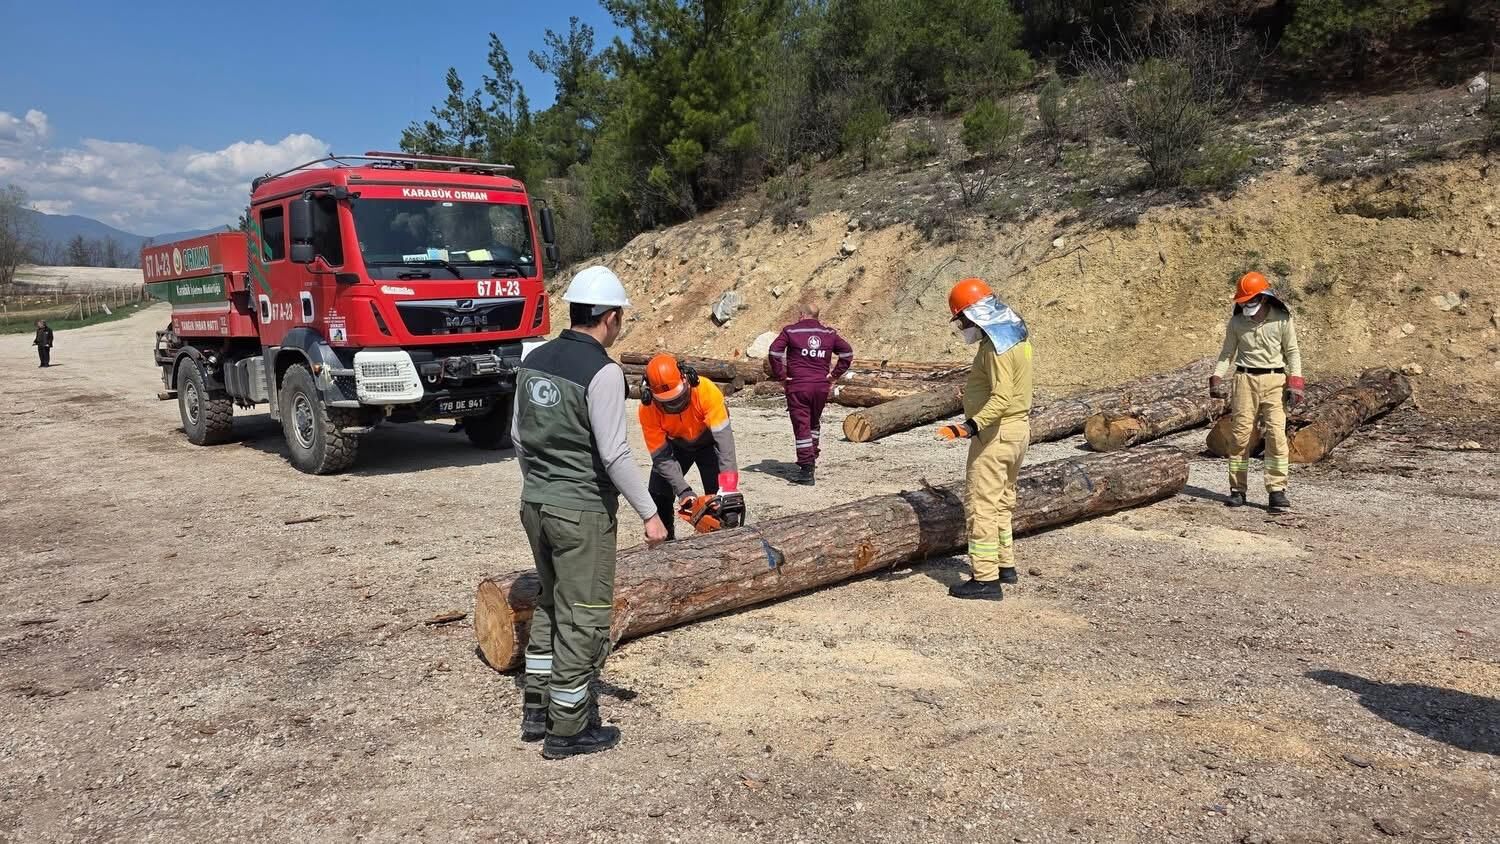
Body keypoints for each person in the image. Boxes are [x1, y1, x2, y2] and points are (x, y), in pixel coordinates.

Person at [511, 265, 669, 759]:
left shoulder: (534, 358)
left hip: (535, 502)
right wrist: (650, 513)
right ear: (611, 317)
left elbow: (518, 436)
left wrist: (541, 484)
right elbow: (615, 454)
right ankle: (568, 728)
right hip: (581, 511)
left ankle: (537, 710)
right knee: (584, 618)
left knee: (551, 604)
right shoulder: (604, 372)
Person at [935, 278, 1033, 602]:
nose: (962, 326)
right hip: (1017, 430)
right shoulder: (1015, 336)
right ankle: (1005, 565)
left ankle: (986, 579)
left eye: (961, 319)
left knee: (981, 506)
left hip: (996, 433)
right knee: (1003, 500)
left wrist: (970, 425)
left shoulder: (995, 347)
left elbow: (1002, 396)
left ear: (974, 314)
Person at [1210, 271, 1304, 514]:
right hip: (1244, 380)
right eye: (1242, 301)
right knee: (1240, 436)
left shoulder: (1282, 319)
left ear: (1263, 297)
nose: (1245, 305)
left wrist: (1296, 381)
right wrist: (1217, 376)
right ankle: (1237, 490)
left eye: (1249, 300)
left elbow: (1292, 352)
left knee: (1276, 435)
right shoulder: (1236, 323)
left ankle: (1277, 490)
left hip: (1275, 380)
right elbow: (1227, 353)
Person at [638, 354, 740, 540]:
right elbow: (661, 456)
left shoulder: (706, 390)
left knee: (722, 503)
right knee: (658, 494)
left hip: (709, 443)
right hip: (676, 445)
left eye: (678, 398)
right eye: (668, 402)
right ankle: (665, 545)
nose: (675, 404)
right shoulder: (648, 410)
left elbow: (724, 443)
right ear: (650, 394)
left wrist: (728, 486)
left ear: (687, 378)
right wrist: (683, 491)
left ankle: (727, 543)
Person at [767, 303, 853, 486]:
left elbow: (774, 352)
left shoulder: (791, 331)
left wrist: (781, 376)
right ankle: (812, 454)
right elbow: (847, 353)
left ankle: (806, 470)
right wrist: (834, 376)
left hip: (798, 385)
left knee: (802, 425)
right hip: (821, 386)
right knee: (813, 422)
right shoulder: (829, 333)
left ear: (801, 315)